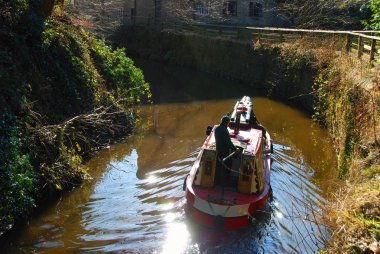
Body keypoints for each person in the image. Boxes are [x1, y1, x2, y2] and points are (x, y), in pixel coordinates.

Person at [214, 115, 237, 186]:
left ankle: (217, 179)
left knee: (219, 165)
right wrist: (235, 149)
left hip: (218, 150)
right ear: (227, 123)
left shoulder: (217, 128)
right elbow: (228, 142)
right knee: (228, 164)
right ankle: (226, 181)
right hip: (224, 152)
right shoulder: (225, 130)